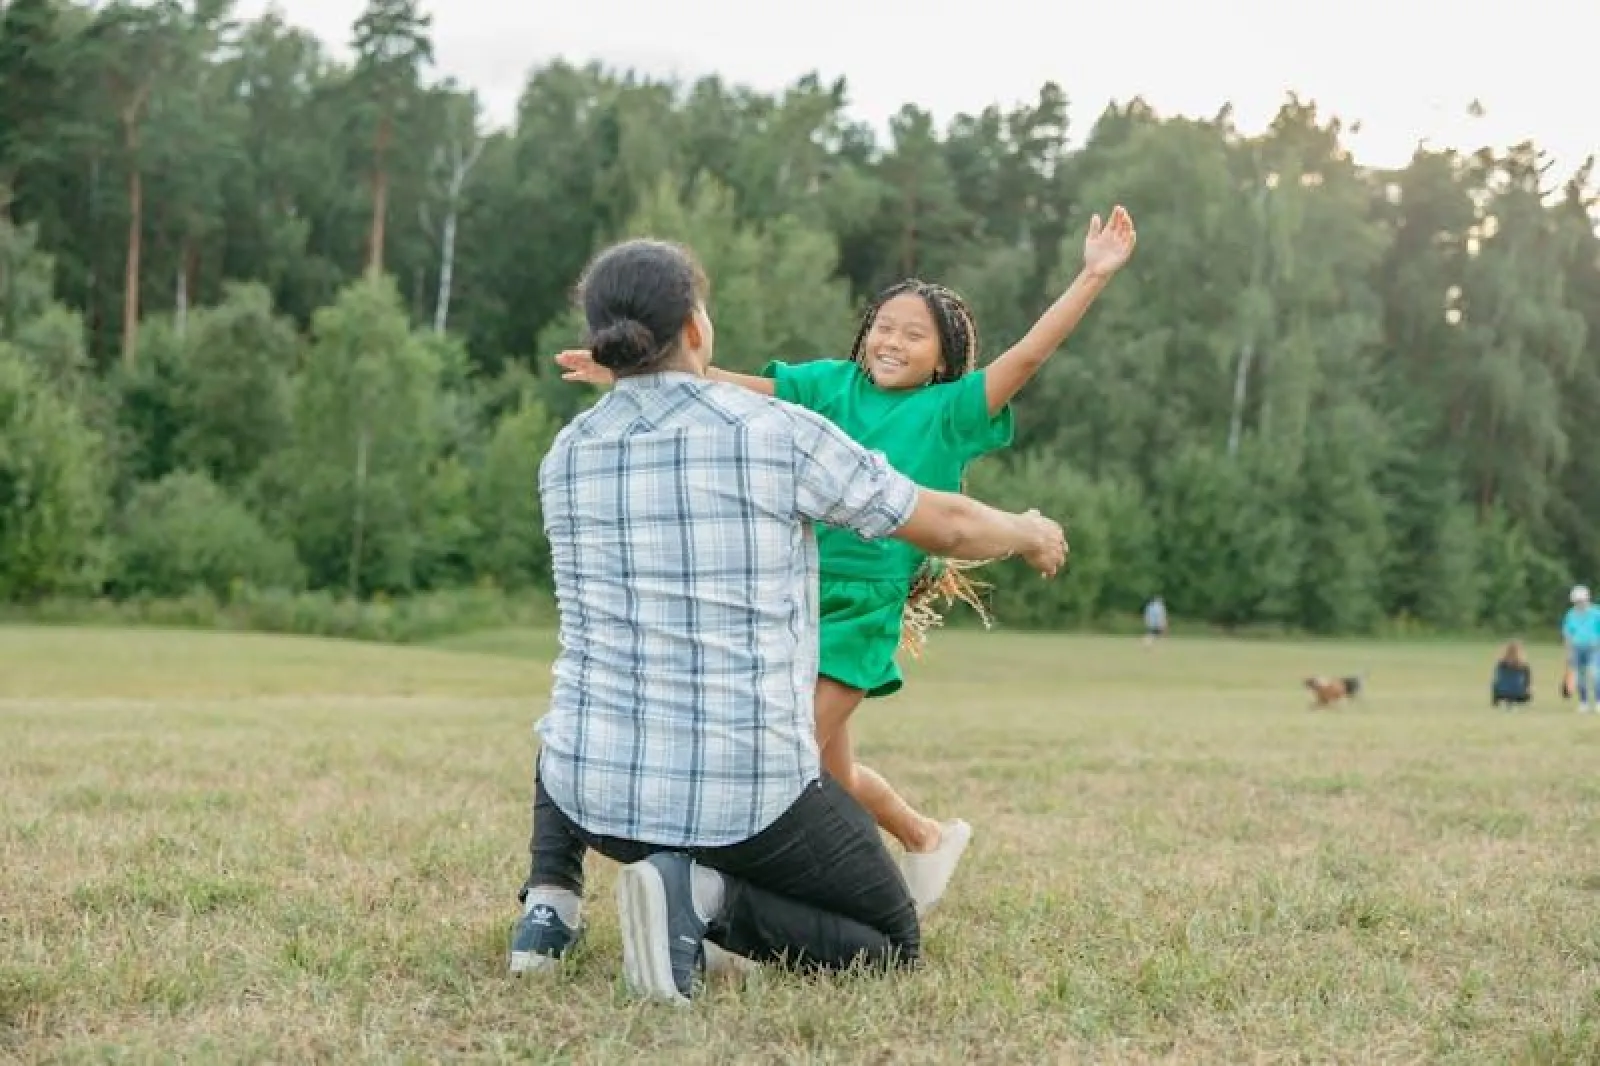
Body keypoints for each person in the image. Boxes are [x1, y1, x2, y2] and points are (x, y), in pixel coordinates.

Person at [512, 237, 1069, 1004]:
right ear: (699, 331)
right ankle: (699, 897)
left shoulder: (565, 452)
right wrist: (1032, 531)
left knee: (595, 687)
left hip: (590, 796)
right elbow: (949, 527)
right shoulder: (776, 433)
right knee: (890, 937)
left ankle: (550, 902)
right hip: (732, 796)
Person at [1563, 585, 1599, 714]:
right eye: (1577, 601)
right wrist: (1568, 652)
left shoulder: (1596, 612)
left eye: (1581, 601)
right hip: (1577, 648)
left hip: (1594, 648)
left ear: (1587, 599)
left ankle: (1598, 702)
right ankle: (1583, 702)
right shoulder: (1570, 614)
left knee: (1595, 674)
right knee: (1580, 677)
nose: (1579, 604)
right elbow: (1567, 634)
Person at [1490, 640, 1532, 710]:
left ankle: (1496, 701)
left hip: (1502, 693)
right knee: (1527, 692)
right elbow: (1527, 682)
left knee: (1495, 684)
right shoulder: (1524, 665)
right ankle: (1511, 699)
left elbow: (1498, 677)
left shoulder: (1501, 663)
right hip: (1518, 694)